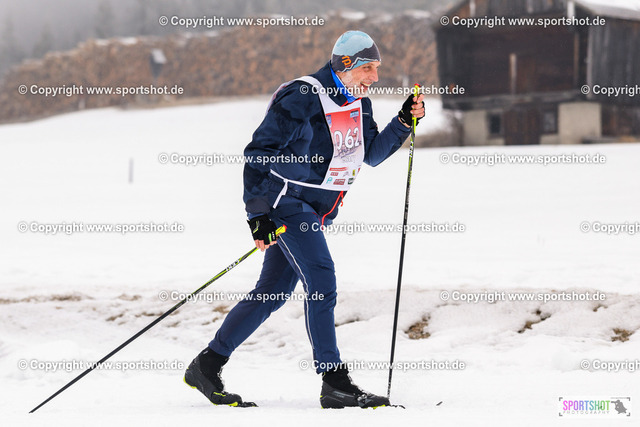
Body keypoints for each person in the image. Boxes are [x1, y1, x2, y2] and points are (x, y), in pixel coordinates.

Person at [184, 30, 425, 409]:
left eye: (377, 69)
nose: (375, 78)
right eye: (368, 69)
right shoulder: (302, 95)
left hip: (318, 211)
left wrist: (403, 120)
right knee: (321, 278)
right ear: (345, 64)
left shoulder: (359, 102)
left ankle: (207, 365)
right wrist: (257, 214)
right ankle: (334, 381)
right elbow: (259, 152)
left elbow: (372, 155)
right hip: (288, 204)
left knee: (272, 293)